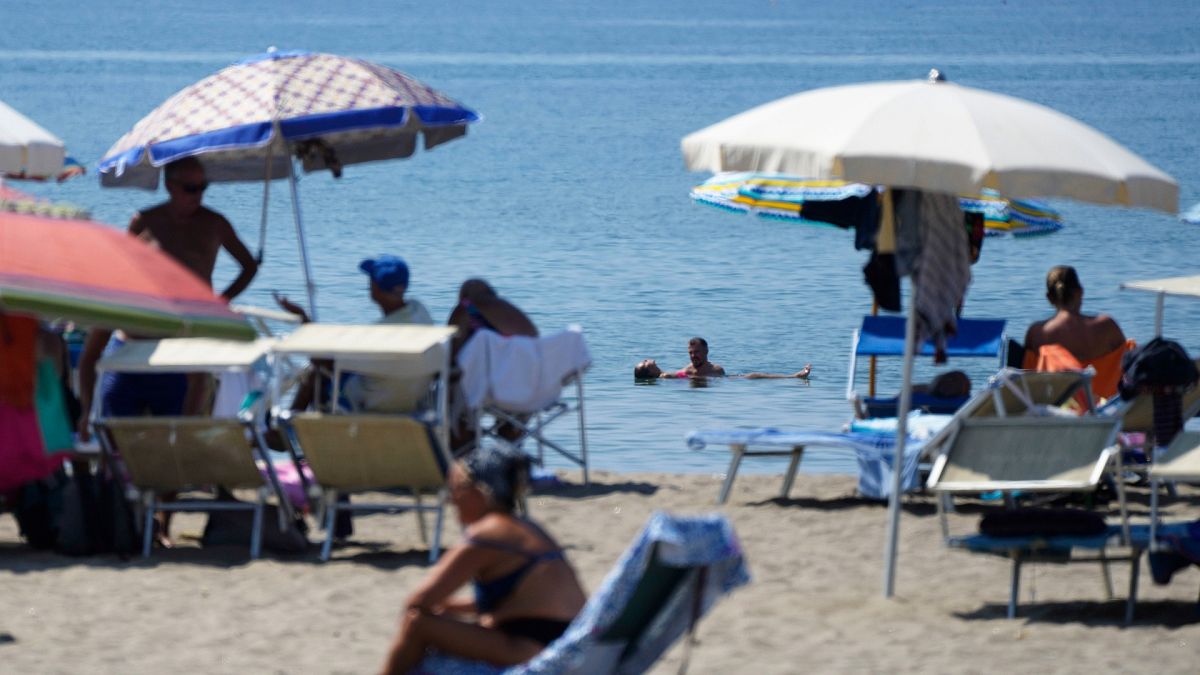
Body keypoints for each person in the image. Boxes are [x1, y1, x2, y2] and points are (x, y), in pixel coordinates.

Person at [74, 157, 259, 547]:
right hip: (135, 341)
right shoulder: (145, 220)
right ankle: (115, 514)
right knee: (116, 439)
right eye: (191, 188)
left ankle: (161, 522)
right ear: (170, 186)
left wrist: (220, 300)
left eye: (203, 187)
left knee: (176, 441)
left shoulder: (214, 223)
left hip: (183, 340)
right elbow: (122, 265)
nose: (198, 195)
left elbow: (247, 265)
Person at [381, 448, 585, 673]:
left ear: (479, 492)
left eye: (456, 489)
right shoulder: (527, 528)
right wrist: (448, 607)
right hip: (565, 644)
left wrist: (438, 610)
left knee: (417, 623)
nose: (451, 499)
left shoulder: (488, 534)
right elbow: (516, 602)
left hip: (532, 648)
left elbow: (417, 602)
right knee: (440, 620)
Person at [275, 254, 434, 413]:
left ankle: (282, 432)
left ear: (375, 288)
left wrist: (304, 318)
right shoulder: (419, 310)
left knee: (314, 374)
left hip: (372, 403)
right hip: (411, 399)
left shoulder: (381, 334)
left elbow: (321, 361)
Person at [1023, 265, 1132, 400]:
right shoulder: (1107, 326)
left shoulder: (1037, 333)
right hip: (1104, 413)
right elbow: (1131, 367)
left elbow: (1026, 382)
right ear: (1080, 292)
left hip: (1056, 412)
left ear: (1049, 297)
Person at [634, 358, 811, 380]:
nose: (646, 360)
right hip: (718, 381)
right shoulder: (665, 376)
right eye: (644, 363)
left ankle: (792, 376)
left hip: (717, 379)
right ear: (649, 372)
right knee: (753, 376)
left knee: (753, 375)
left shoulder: (666, 375)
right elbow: (688, 377)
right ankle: (793, 376)